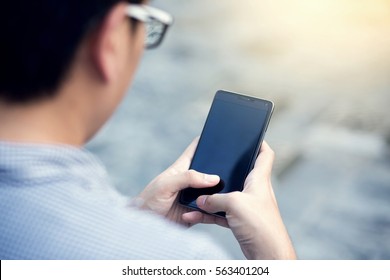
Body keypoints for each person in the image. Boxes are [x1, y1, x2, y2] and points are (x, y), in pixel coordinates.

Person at [0, 0, 296, 259]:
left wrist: (132, 221)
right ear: (111, 40)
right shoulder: (181, 261)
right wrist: (276, 257)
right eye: (147, 23)